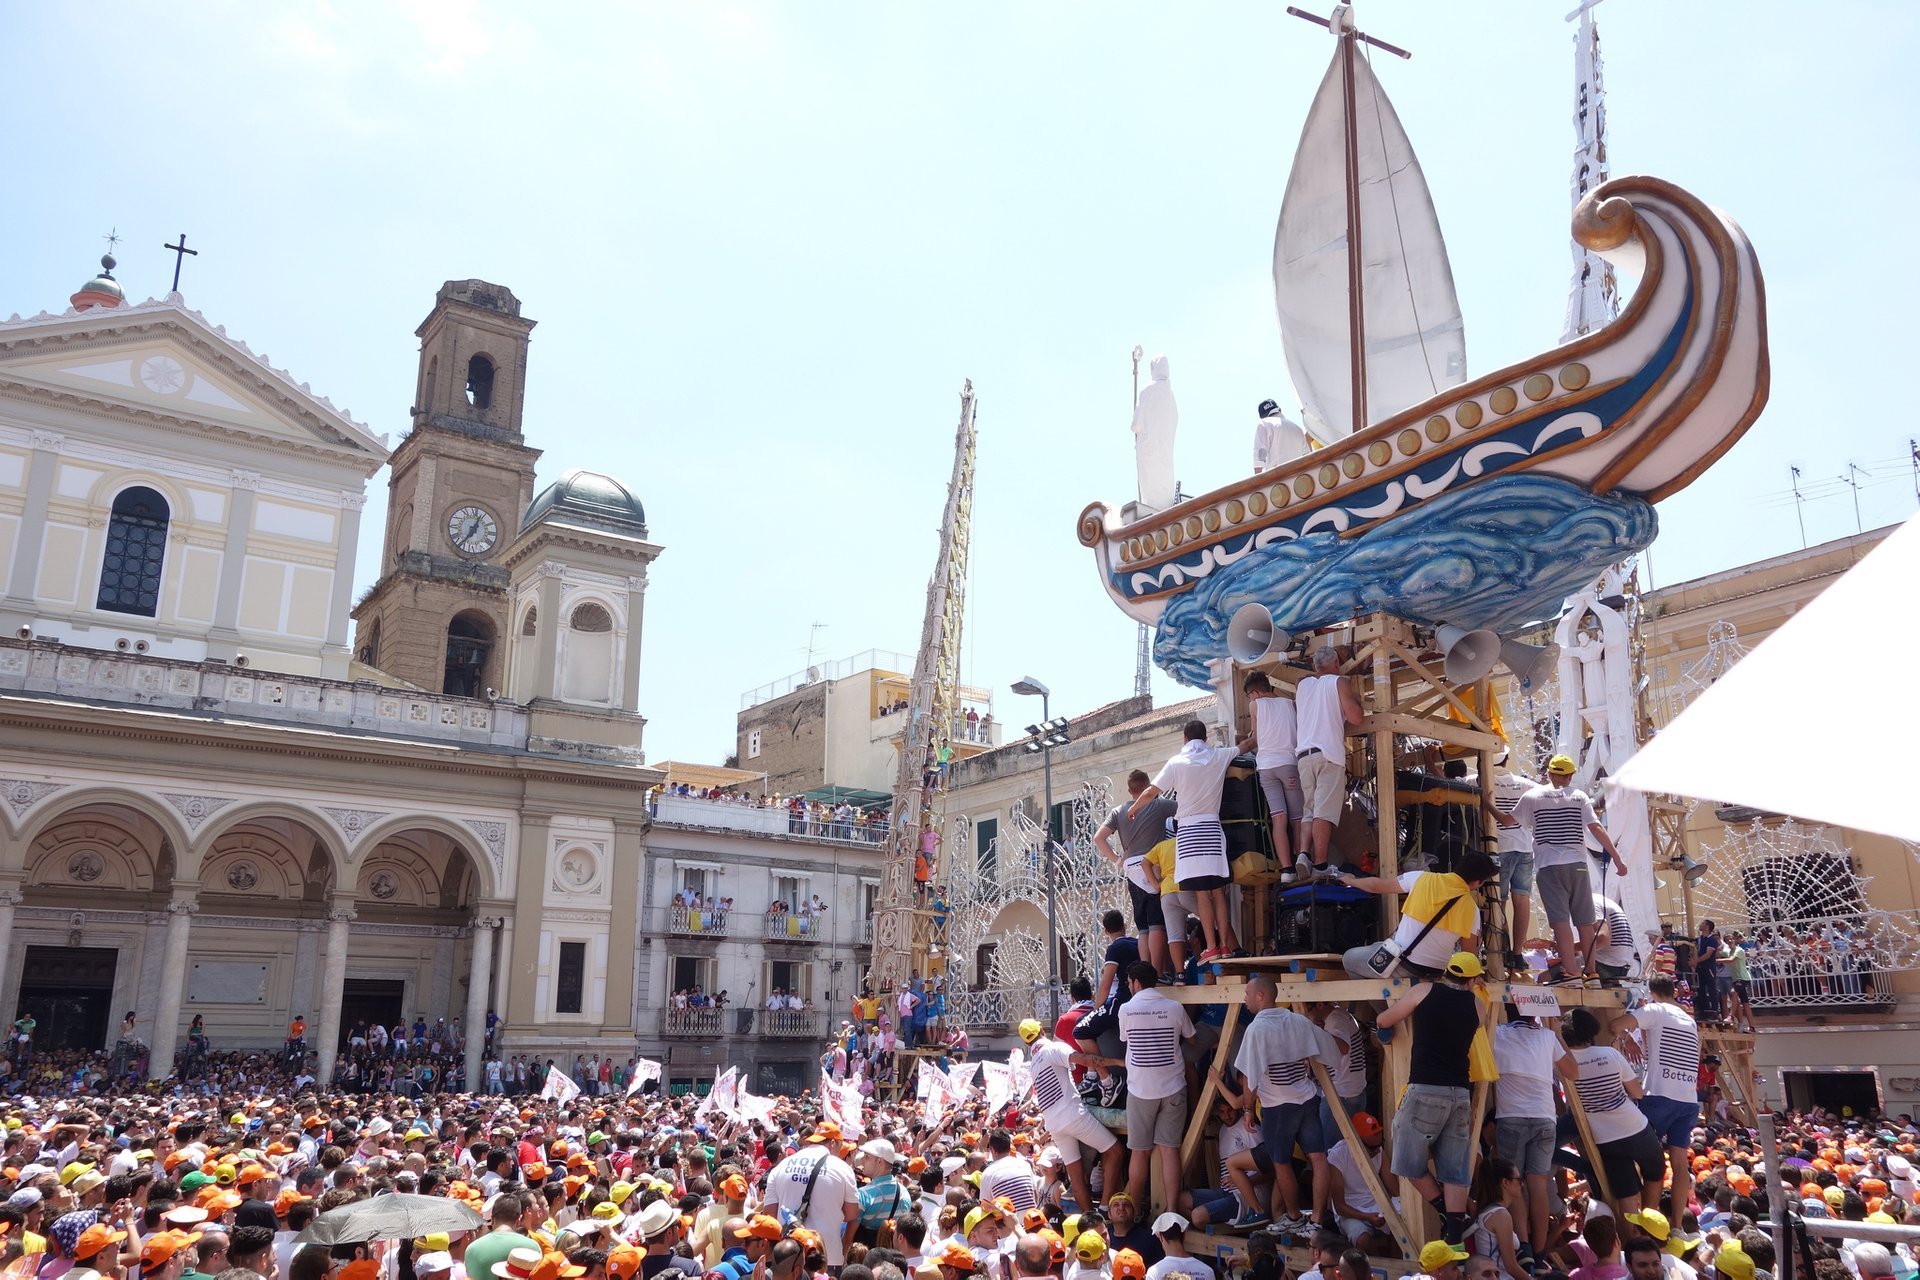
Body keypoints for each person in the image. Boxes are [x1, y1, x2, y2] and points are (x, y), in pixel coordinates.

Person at [1213, 973, 1346, 1234]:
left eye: (1248, 994)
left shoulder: (1256, 1029)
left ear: (1261, 995)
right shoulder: (1299, 1021)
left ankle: (1294, 1216)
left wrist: (1249, 1110)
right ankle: (1317, 1221)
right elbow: (1335, 1050)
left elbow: (1250, 1080)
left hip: (1277, 1107)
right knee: (1318, 1158)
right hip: (1307, 1100)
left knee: (1281, 1162)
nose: (1245, 998)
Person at [1375, 951, 1489, 1244]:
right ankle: (1456, 1235)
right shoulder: (1477, 1006)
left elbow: (1384, 1019)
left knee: (1405, 1163)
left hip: (1425, 1089)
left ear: (1447, 971)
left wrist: (1383, 1031)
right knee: (1454, 1169)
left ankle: (1442, 1209)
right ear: (1473, 979)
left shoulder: (1423, 991)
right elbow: (1475, 1025)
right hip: (1461, 1093)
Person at [1498, 754, 1626, 985]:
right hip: (1578, 866)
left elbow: (1508, 822)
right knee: (1585, 922)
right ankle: (1591, 973)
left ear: (1548, 773)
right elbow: (1595, 827)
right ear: (1570, 776)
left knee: (1560, 921)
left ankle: (1571, 972)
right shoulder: (1579, 796)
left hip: (1549, 867)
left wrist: (1486, 804)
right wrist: (1617, 858)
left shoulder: (1533, 796)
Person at [1130, 720, 1241, 961]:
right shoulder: (1218, 756)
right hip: (1212, 829)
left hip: (1190, 832)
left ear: (1184, 738)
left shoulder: (1176, 762)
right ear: (1206, 738)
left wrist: (1135, 809)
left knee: (1202, 894)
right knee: (1218, 892)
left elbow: (1151, 791)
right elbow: (1246, 746)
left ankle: (1211, 947)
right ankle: (1224, 945)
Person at [1611, 976, 1703, 1215]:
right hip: (1688, 1100)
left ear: (1652, 992)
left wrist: (1627, 1039)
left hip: (1660, 1096)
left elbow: (1614, 1026)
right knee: (1680, 1165)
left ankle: (1643, 1214)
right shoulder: (1689, 1020)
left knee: (1641, 1159)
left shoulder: (1654, 1009)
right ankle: (1677, 1226)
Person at [1490, 1004, 1575, 1258]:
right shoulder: (1548, 1037)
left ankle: (1523, 1246)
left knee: (1512, 1184)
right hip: (1544, 1118)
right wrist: (1557, 1033)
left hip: (1511, 1116)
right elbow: (1573, 1072)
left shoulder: (1497, 1033)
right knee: (1538, 1185)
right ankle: (1538, 1252)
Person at [1562, 1007, 1665, 1212]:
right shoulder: (1610, 1054)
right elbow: (1637, 1093)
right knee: (1655, 1170)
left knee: (1625, 1192)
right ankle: (1650, 1221)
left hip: (1604, 1137)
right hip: (1634, 1127)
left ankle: (1630, 1238)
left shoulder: (1563, 1063)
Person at [1019, 1018, 1120, 1216]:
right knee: (1116, 1151)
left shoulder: (1033, 1065)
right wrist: (1117, 1062)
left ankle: (1091, 1220)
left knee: (1076, 1179)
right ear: (1041, 1030)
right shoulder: (1053, 1048)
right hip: (1072, 1116)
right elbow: (1085, 1060)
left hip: (1055, 1125)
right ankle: (1105, 1207)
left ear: (1026, 1042)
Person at [1338, 852, 1492, 980]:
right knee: (1376, 947)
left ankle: (1384, 1012)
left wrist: (1351, 880)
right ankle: (1389, 1010)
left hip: (1403, 964)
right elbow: (1469, 956)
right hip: (1435, 973)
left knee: (1349, 958)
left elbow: (1376, 886)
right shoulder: (1473, 910)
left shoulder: (1420, 878)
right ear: (1476, 883)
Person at [1116, 962, 1194, 1214]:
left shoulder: (1126, 1010)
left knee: (1139, 1152)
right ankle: (1171, 1210)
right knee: (1169, 1150)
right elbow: (1191, 1038)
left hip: (1140, 1091)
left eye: (1129, 983)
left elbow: (1125, 1040)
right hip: (1173, 1088)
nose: (1129, 987)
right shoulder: (1174, 1007)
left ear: (1136, 983)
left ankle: (1134, 1211)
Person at [1095, 771, 1178, 980]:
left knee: (1142, 927)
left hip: (1131, 869)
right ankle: (1158, 973)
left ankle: (1144, 973)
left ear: (1130, 790)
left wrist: (1117, 860)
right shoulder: (1160, 805)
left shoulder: (1118, 811)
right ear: (1149, 786)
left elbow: (1099, 838)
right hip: (1152, 866)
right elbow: (1184, 809)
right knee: (1156, 922)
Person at [1293, 647, 1362, 874]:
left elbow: (1304, 681)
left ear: (1315, 666)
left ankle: (1304, 854)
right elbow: (1356, 717)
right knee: (1323, 813)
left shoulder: (1302, 686)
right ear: (1336, 664)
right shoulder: (1339, 682)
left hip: (1304, 757)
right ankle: (1320, 865)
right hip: (1328, 755)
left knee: (1309, 811)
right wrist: (1356, 700)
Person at [765, 1122, 861, 1270]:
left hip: (787, 1256)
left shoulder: (781, 1166)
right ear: (833, 1143)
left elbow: (769, 1215)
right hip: (826, 1255)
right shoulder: (843, 1168)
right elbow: (851, 1213)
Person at [1240, 672, 1302, 867]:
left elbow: (1255, 738)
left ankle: (1286, 869)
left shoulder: (1255, 705)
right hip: (1289, 764)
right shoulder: (1290, 703)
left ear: (1256, 692)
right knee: (1298, 819)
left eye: (1250, 694)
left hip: (1266, 767)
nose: (1250, 699)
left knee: (1278, 819)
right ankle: (1302, 863)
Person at [1591, 894, 1638, 984]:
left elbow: (1602, 939)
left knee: (1562, 970)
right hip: (1621, 964)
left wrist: (1569, 948)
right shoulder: (1603, 901)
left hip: (1607, 964)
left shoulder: (1592, 903)